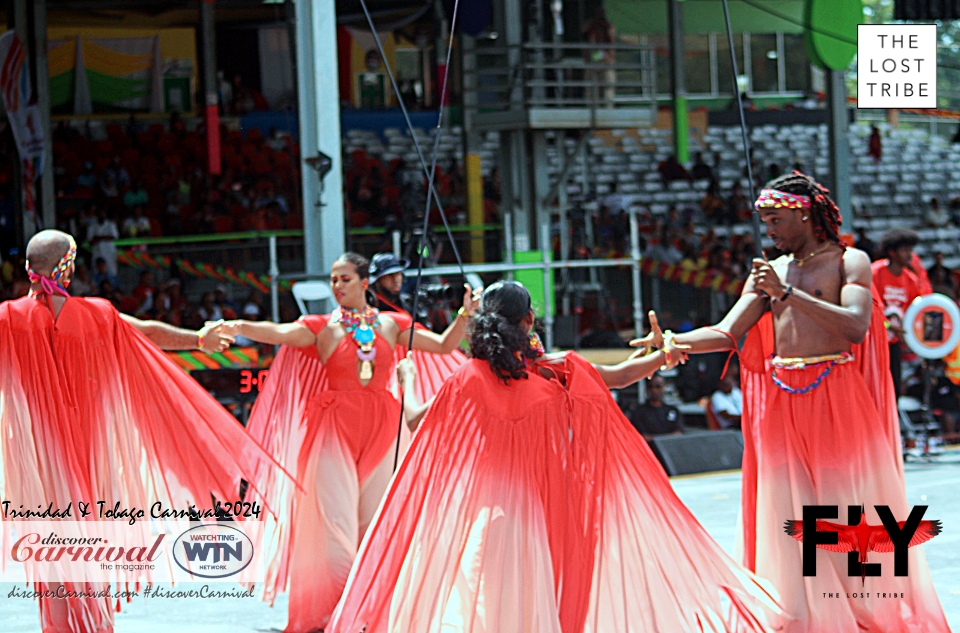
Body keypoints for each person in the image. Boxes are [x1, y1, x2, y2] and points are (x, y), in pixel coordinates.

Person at [327, 281, 781, 633]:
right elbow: (619, 376)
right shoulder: (552, 370)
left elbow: (415, 422)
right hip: (548, 511)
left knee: (493, 608)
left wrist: (406, 379)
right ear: (529, 322)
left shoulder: (467, 378)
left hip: (493, 516)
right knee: (539, 603)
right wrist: (664, 353)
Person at [649, 173, 951, 631]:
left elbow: (854, 325)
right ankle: (801, 615)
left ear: (802, 212)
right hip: (781, 399)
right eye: (764, 221)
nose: (767, 230)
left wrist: (787, 294)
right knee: (787, 512)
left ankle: (861, 611)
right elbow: (728, 333)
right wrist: (673, 342)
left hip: (836, 391)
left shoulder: (851, 261)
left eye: (774, 220)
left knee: (846, 507)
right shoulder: (771, 271)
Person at [0, 230, 279, 633]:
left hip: (38, 459)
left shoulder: (9, 319)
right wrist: (199, 339)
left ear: (28, 270)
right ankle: (92, 625)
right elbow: (148, 331)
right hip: (92, 449)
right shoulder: (99, 314)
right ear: (69, 268)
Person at [221, 252, 476, 632]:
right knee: (335, 526)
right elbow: (276, 332)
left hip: (384, 429)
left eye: (345, 279)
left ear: (365, 283)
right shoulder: (322, 328)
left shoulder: (393, 325)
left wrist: (463, 316)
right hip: (333, 430)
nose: (337, 286)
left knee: (373, 524)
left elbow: (441, 346)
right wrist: (238, 324)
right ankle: (339, 614)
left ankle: (369, 611)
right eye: (333, 279)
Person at [873, 228, 923, 397]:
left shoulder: (911, 280)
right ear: (892, 252)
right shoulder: (875, 273)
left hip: (894, 343)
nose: (910, 254)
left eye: (911, 249)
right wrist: (887, 324)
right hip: (872, 340)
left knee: (894, 389)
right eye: (905, 250)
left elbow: (913, 311)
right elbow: (870, 307)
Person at [628, 373, 683, 440]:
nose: (654, 390)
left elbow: (678, 434)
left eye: (658, 387)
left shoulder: (673, 410)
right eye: (650, 387)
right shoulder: (639, 412)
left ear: (664, 387)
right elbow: (641, 436)